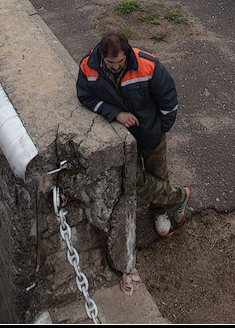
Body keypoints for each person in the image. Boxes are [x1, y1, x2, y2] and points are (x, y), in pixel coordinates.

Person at [77, 31, 191, 238]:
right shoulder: (88, 67)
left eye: (120, 61)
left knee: (158, 173)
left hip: (151, 131)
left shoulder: (147, 64)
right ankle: (178, 198)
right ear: (102, 56)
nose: (116, 66)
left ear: (127, 53)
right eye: (111, 63)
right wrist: (116, 114)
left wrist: (160, 127)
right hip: (123, 135)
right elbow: (85, 97)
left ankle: (159, 211)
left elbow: (168, 98)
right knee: (133, 178)